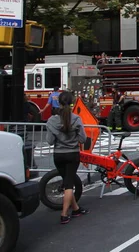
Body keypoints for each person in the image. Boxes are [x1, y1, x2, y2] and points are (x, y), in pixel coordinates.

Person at [45, 92, 89, 224]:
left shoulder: (52, 121)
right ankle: (64, 214)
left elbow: (50, 141)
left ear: (58, 102)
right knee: (69, 184)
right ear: (72, 103)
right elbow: (83, 138)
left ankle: (76, 209)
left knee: (67, 180)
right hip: (72, 154)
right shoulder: (76, 119)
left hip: (58, 155)